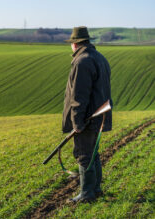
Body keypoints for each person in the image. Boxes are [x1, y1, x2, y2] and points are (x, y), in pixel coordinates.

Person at [62, 26, 112, 203]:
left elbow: (79, 97)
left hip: (87, 118)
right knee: (93, 153)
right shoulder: (100, 58)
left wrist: (77, 123)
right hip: (99, 116)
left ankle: (86, 193)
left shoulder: (82, 61)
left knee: (84, 154)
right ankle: (95, 189)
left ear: (75, 44)